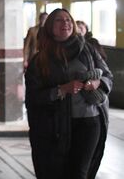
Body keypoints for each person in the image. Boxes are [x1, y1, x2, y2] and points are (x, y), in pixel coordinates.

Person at [25, 9, 113, 179]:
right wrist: (62, 90)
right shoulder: (40, 59)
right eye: (59, 20)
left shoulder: (88, 50)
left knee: (80, 173)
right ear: (50, 26)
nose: (65, 23)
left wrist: (97, 83)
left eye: (68, 20)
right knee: (57, 172)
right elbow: (34, 98)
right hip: (56, 127)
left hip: (89, 122)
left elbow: (107, 75)